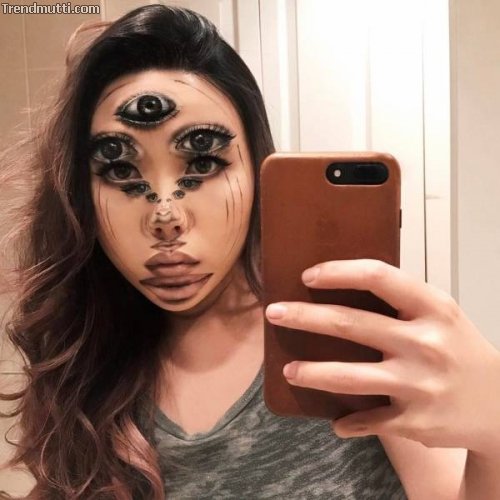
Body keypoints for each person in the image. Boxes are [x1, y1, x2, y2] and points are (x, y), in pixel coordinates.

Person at [1, 5, 500, 499]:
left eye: (202, 162)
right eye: (120, 170)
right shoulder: (85, 361)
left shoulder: (343, 335)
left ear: (257, 170)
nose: (166, 217)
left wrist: (493, 427)